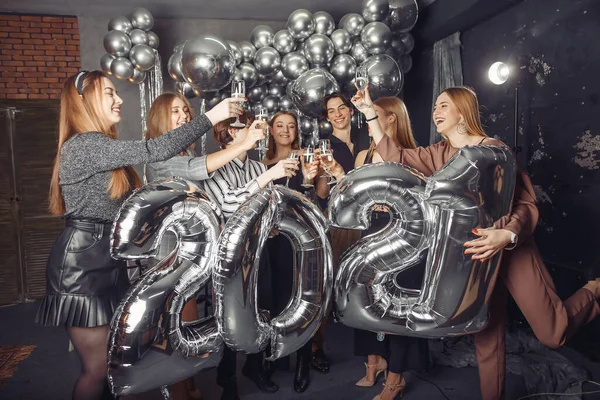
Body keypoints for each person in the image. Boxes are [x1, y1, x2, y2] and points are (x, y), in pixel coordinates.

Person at [350, 84, 600, 400]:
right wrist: (370, 113)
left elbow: (527, 204)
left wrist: (506, 234)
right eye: (435, 107)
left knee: (553, 334)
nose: (436, 112)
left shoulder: (495, 149)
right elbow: (395, 156)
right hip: (476, 257)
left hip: (512, 251)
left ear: (462, 112)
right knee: (486, 336)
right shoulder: (438, 154)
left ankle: (592, 291)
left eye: (443, 106)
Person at [35, 70, 241, 400]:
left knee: (116, 364)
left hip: (110, 260)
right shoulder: (84, 146)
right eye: (110, 94)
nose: (119, 100)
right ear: (83, 100)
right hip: (81, 269)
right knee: (97, 369)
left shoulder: (102, 146)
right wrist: (212, 116)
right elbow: (153, 150)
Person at [143, 92, 264, 400]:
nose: (184, 115)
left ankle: (188, 387)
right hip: (171, 257)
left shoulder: (182, 152)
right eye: (175, 111)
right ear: (160, 118)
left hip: (190, 255)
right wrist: (244, 143)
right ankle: (178, 391)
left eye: (186, 109)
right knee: (177, 335)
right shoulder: (161, 156)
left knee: (184, 329)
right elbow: (202, 168)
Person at [201, 111, 299, 400]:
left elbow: (265, 204)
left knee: (262, 310)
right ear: (232, 133)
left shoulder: (257, 166)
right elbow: (230, 203)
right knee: (230, 316)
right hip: (230, 255)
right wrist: (272, 174)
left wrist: (270, 226)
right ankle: (227, 381)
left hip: (259, 251)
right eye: (248, 126)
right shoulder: (214, 167)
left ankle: (254, 367)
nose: (259, 130)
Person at [349, 96, 429, 400]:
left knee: (397, 305)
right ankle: (374, 361)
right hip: (372, 228)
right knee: (364, 298)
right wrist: (333, 174)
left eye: (374, 115)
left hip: (405, 232)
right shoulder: (362, 156)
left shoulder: (411, 154)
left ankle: (395, 378)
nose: (368, 122)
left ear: (391, 118)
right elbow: (353, 194)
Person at [261, 111, 322, 392]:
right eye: (280, 126)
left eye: (291, 126)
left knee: (303, 300)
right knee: (276, 300)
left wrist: (314, 177)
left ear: (297, 131)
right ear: (271, 131)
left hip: (302, 242)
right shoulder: (262, 164)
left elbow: (320, 196)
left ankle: (303, 362)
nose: (286, 130)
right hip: (273, 243)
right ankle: (277, 356)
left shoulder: (305, 159)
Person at [311, 92, 371, 373]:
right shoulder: (325, 146)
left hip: (371, 219)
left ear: (350, 110)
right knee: (328, 283)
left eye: (341, 108)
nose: (337, 114)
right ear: (326, 117)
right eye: (331, 110)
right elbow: (322, 194)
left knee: (367, 283)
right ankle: (316, 348)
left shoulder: (366, 135)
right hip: (340, 222)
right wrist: (326, 171)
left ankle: (373, 349)